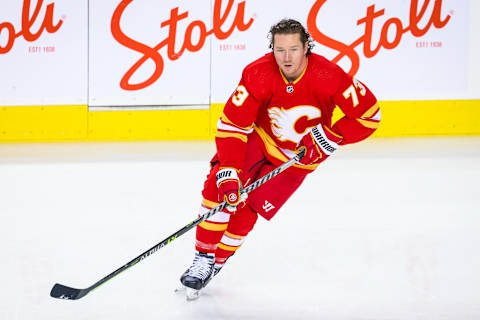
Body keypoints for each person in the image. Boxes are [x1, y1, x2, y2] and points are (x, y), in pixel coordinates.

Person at [179, 18, 380, 297]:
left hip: (299, 158)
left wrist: (330, 136)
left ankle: (218, 262)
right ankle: (203, 258)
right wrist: (230, 170)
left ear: (307, 47)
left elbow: (370, 117)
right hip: (259, 140)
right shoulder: (257, 73)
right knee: (220, 186)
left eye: (294, 49)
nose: (286, 58)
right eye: (279, 50)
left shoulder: (330, 76)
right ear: (271, 48)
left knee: (249, 209)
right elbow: (233, 124)